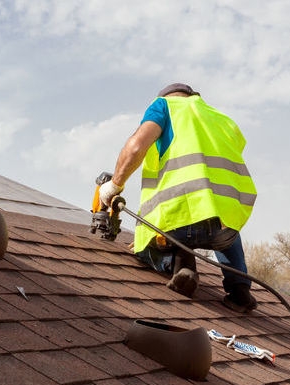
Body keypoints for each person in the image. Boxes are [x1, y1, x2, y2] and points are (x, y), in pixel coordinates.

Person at [99, 83, 257, 313]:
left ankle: (183, 266)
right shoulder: (220, 118)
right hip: (226, 224)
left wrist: (114, 185)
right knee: (223, 226)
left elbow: (135, 147)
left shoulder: (164, 106)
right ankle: (240, 289)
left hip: (179, 222)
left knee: (146, 247)